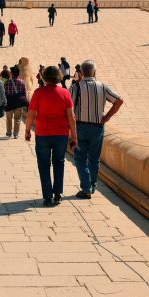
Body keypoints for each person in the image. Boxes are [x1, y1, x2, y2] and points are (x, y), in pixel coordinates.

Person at [24, 66, 78, 207]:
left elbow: (31, 114)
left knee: (43, 164)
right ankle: (58, 194)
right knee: (59, 162)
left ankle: (47, 196)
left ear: (44, 77)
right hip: (61, 134)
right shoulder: (65, 93)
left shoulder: (38, 93)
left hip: (43, 134)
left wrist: (27, 130)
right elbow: (71, 117)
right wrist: (74, 137)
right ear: (59, 77)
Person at [69, 60, 123, 197]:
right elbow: (119, 101)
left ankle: (86, 188)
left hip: (80, 127)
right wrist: (107, 117)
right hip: (97, 127)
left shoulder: (76, 87)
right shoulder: (103, 86)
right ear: (94, 72)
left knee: (80, 159)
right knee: (94, 159)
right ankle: (92, 186)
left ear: (80, 73)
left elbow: (68, 107)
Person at [3, 65, 29, 138]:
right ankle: (16, 134)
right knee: (17, 119)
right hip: (18, 104)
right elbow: (24, 94)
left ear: (12, 74)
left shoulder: (7, 82)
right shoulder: (22, 82)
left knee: (9, 119)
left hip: (9, 103)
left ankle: (9, 132)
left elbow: (4, 93)